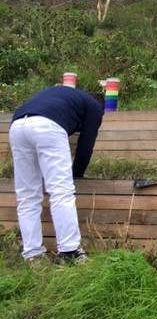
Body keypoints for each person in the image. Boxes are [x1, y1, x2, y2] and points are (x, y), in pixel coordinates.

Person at [9, 86, 104, 263]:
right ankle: (70, 251)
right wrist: (77, 175)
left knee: (27, 195)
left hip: (18, 125)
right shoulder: (95, 106)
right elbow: (86, 145)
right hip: (47, 126)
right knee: (61, 191)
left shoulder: (64, 94)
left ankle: (33, 254)